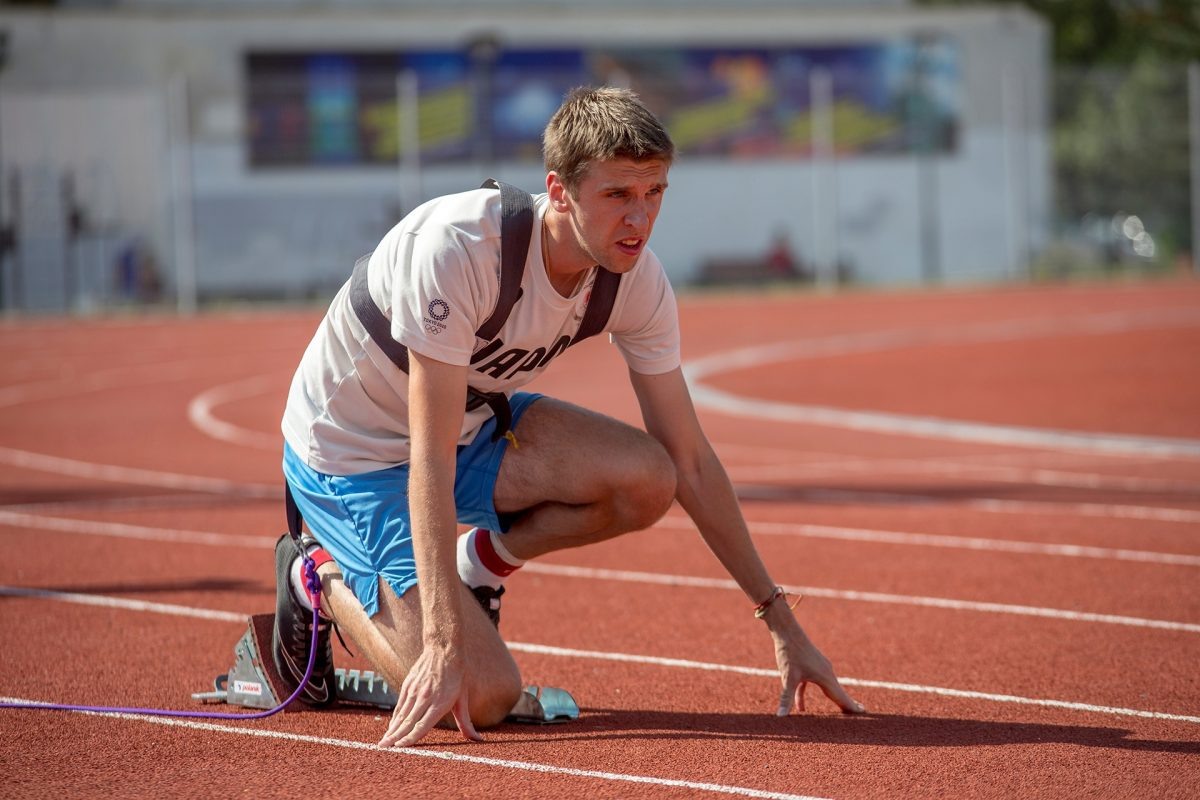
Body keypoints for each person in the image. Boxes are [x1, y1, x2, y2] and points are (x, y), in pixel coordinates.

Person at [276, 86, 865, 748]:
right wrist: (442, 643)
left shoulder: (634, 279)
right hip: (354, 455)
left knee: (650, 476)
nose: (639, 219)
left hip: (467, 431)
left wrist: (784, 625)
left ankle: (483, 566)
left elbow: (691, 461)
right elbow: (429, 459)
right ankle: (316, 573)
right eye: (618, 195)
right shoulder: (459, 250)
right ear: (558, 192)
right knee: (484, 694)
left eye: (655, 193)